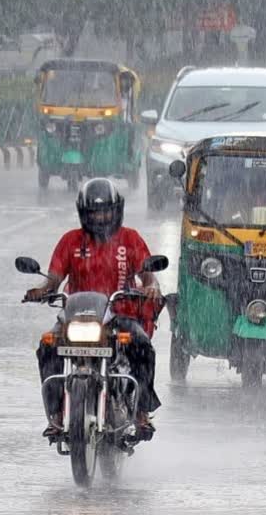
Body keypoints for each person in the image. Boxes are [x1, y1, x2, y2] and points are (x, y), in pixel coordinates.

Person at [24, 178, 163, 439]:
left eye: (106, 211)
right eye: (94, 212)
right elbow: (54, 278)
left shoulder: (130, 239)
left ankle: (142, 413)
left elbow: (148, 275)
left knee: (143, 348)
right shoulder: (71, 241)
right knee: (47, 346)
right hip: (77, 317)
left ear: (117, 210)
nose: (101, 218)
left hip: (119, 315)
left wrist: (151, 286)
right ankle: (55, 415)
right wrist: (41, 290)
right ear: (84, 213)